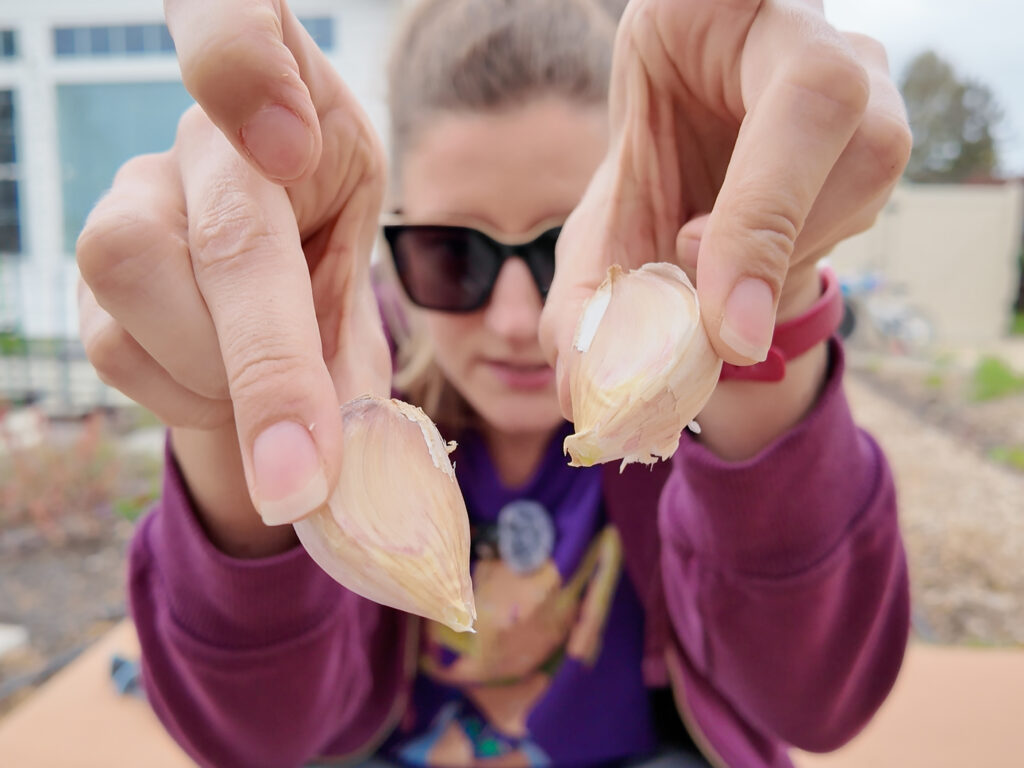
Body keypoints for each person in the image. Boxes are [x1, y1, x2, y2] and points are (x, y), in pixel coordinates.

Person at [75, 0, 912, 766]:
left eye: (558, 248)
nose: (515, 317)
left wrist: (754, 295)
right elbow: (254, 737)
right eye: (452, 253)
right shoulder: (343, 365)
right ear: (389, 238)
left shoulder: (681, 396)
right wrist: (242, 414)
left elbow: (816, 700)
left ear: (630, 217)